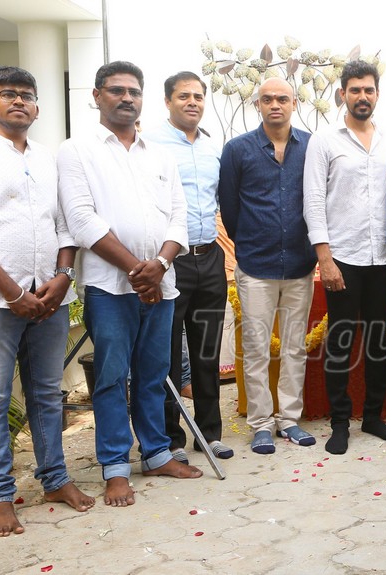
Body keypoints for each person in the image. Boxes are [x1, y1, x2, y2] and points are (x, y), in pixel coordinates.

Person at [0, 66, 95, 536]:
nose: (20, 101)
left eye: (27, 95)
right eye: (9, 94)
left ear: (37, 107)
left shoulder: (46, 159)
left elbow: (64, 225)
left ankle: (55, 480)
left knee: (47, 393)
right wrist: (13, 294)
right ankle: (0, 497)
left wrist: (63, 277)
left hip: (49, 298)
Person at [58, 61, 203, 507]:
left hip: (162, 284)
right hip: (109, 288)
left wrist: (159, 264)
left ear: (142, 99)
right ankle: (116, 468)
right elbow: (81, 219)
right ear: (97, 96)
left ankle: (156, 453)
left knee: (154, 375)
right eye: (116, 90)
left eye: (133, 91)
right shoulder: (76, 151)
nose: (126, 98)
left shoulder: (159, 154)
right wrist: (138, 272)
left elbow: (178, 215)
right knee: (111, 378)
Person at [303, 61, 386, 454]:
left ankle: (373, 417)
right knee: (341, 342)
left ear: (377, 94)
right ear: (342, 93)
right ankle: (340, 422)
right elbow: (313, 200)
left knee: (378, 342)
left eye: (369, 90)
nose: (363, 96)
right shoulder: (325, 140)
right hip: (342, 258)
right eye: (355, 90)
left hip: (383, 259)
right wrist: (324, 258)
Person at [218, 77, 316, 453]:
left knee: (294, 348)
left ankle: (289, 419)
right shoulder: (237, 149)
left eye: (282, 99)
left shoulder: (311, 146)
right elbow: (230, 207)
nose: (275, 105)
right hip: (256, 265)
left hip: (300, 265)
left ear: (294, 103)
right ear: (257, 104)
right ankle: (260, 423)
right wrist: (249, 242)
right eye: (267, 99)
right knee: (257, 347)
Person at [143, 72, 232, 462]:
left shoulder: (213, 148)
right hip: (169, 261)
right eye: (183, 96)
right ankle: (171, 439)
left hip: (209, 257)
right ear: (167, 101)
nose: (192, 102)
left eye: (198, 96)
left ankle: (209, 434)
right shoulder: (150, 145)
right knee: (166, 352)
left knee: (207, 350)